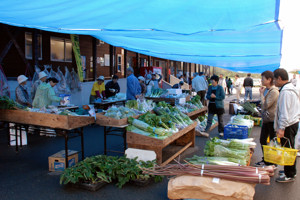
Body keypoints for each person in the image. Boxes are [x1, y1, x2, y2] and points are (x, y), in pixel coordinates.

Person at [273, 68, 300, 183]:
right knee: (289, 148)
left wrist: (281, 128)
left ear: (279, 78)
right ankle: (289, 170)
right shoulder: (289, 89)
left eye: (274, 79)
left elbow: (284, 112)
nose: (274, 82)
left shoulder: (286, 92)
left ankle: (290, 174)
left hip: (288, 124)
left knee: (288, 149)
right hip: (292, 123)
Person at [255, 71, 279, 167]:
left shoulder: (274, 91)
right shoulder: (268, 90)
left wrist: (261, 94)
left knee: (271, 142)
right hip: (267, 119)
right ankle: (266, 160)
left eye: (263, 79)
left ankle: (272, 162)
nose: (261, 80)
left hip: (271, 120)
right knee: (263, 140)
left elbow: (265, 105)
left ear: (269, 80)